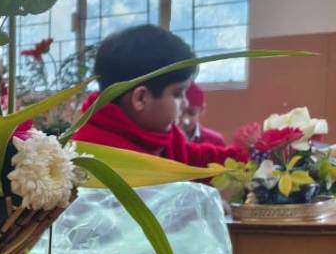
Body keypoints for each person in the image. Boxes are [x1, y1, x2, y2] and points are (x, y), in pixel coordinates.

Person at [72, 25, 244, 166]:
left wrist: (242, 154)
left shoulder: (160, 134)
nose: (185, 104)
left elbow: (195, 158)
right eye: (178, 94)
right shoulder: (92, 157)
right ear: (141, 99)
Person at [179, 81, 227, 146]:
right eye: (180, 113)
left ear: (201, 110)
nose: (185, 119)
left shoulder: (215, 141)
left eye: (192, 113)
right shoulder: (166, 139)